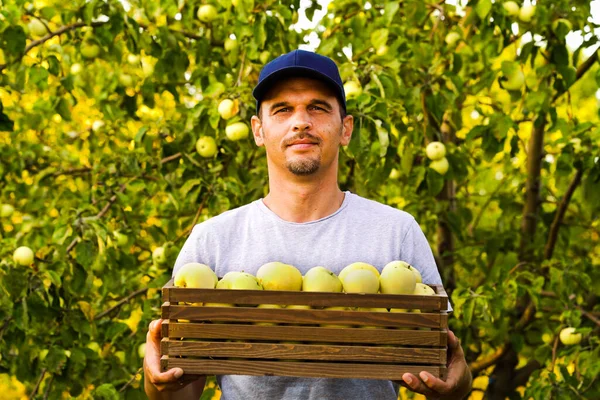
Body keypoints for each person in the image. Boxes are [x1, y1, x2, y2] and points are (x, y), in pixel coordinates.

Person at [143, 49, 472, 400]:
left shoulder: (396, 231)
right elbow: (179, 391)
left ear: (345, 129)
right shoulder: (213, 240)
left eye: (317, 107)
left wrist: (457, 382)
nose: (301, 121)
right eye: (283, 109)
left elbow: (443, 371)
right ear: (258, 130)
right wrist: (156, 380)